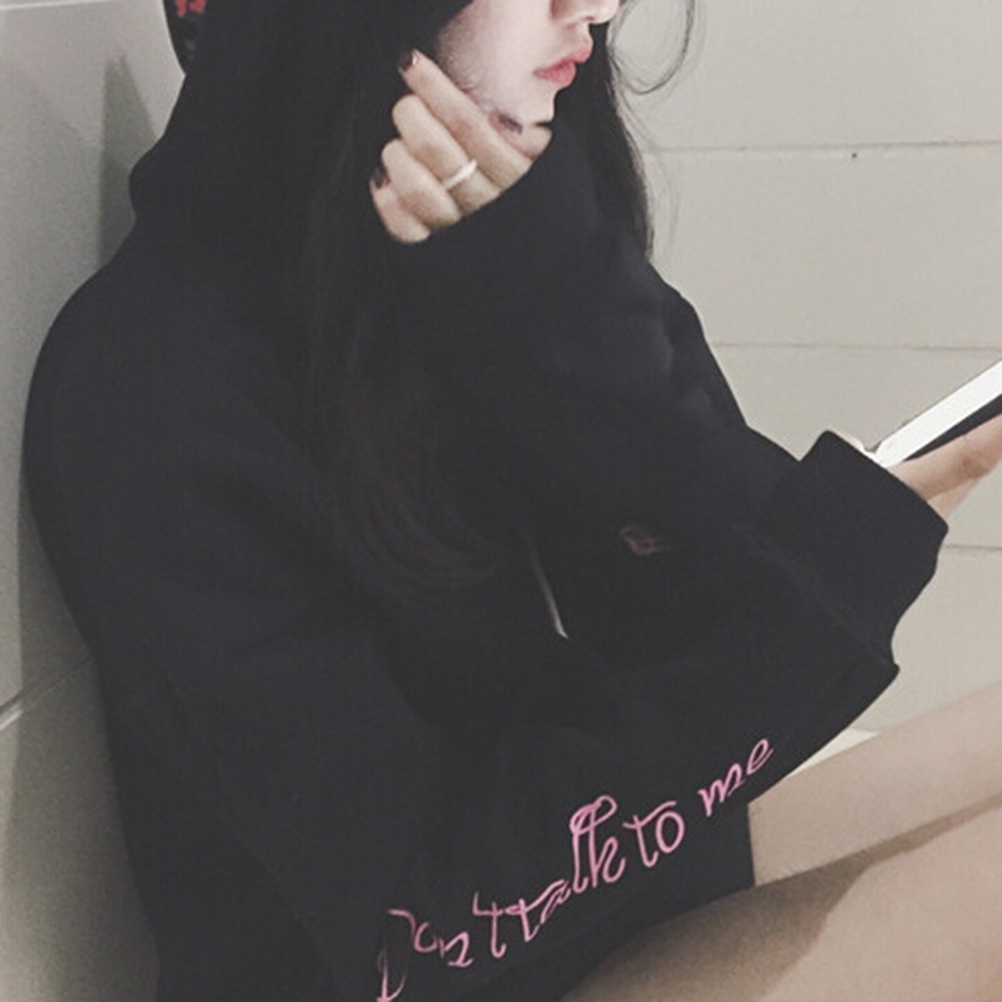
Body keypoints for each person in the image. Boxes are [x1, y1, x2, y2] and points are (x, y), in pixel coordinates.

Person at [22, 0, 1002, 999]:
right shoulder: (152, 386)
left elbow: (715, 578)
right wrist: (829, 578)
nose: (597, 7)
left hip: (590, 912)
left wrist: (572, 329)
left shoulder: (490, 252)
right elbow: (417, 924)